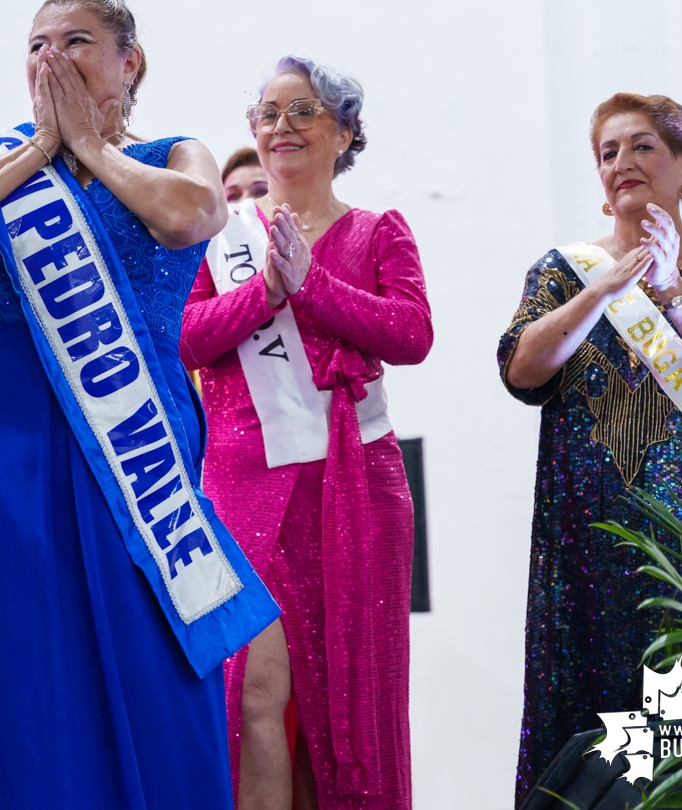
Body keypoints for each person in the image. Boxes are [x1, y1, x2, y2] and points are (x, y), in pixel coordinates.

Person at [0, 0, 278, 810]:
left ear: (128, 61)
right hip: (1, 444)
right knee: (17, 664)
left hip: (130, 439)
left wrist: (91, 149)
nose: (51, 58)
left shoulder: (174, 152)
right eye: (36, 46)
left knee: (143, 650)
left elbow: (192, 216)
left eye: (73, 43)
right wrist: (40, 150)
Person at [500, 92, 682, 803]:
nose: (622, 162)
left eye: (642, 146)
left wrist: (673, 291)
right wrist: (602, 290)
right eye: (608, 152)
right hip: (587, 560)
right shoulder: (564, 273)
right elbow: (520, 368)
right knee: (595, 756)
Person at [180, 56, 432, 809]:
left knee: (350, 706)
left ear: (345, 131)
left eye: (301, 112)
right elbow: (187, 339)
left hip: (356, 486)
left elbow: (412, 333)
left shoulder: (376, 231)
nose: (279, 127)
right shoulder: (218, 241)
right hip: (242, 487)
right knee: (254, 691)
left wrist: (311, 284)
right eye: (266, 114)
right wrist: (267, 292)